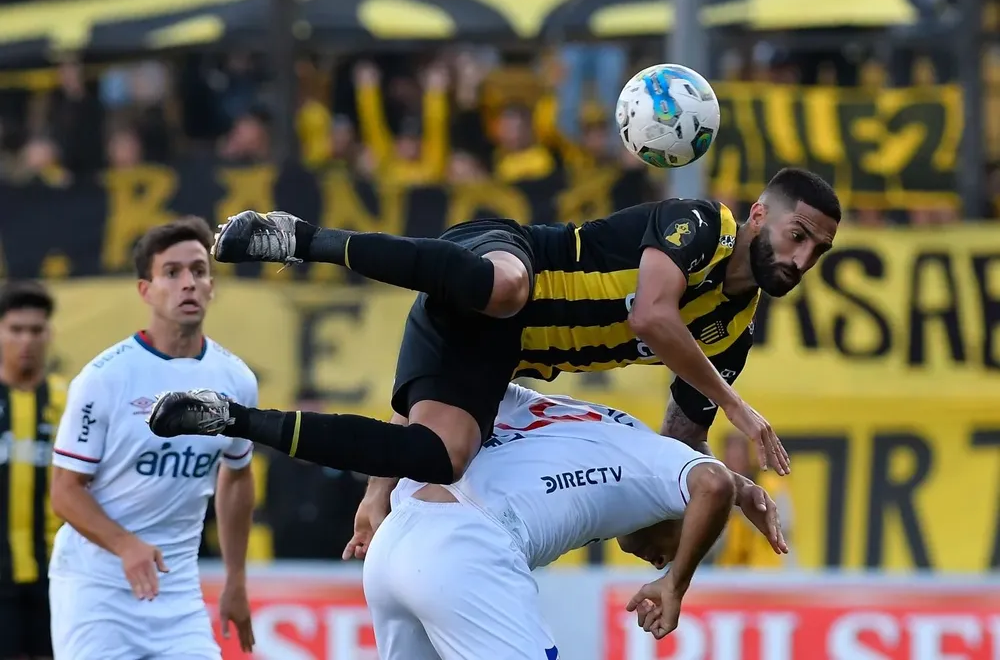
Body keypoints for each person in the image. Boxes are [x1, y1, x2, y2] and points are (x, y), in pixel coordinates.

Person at [155, 168, 838, 527]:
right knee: (509, 287)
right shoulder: (703, 223)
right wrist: (742, 409)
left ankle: (227, 417)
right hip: (497, 254)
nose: (802, 258)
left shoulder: (732, 331)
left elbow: (677, 447)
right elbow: (652, 318)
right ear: (758, 214)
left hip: (480, 348)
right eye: (797, 235)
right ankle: (301, 239)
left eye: (818, 250)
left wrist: (706, 501)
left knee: (442, 456)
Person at [153, 383, 785, 657]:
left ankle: (241, 417)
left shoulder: (582, 417)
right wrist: (676, 578)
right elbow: (706, 482)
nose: (646, 556)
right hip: (466, 553)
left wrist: (377, 493)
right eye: (664, 547)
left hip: (397, 542)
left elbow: (429, 395)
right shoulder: (659, 466)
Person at [47, 218, 258, 660]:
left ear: (212, 285)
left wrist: (236, 579)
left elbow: (237, 476)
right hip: (96, 588)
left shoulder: (236, 379)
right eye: (172, 272)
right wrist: (126, 546)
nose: (188, 284)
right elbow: (65, 491)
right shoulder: (103, 378)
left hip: (176, 590)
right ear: (146, 290)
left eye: (199, 271)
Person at [0, 282, 65, 660]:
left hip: (55, 578)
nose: (26, 340)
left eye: (36, 330)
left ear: (50, 334)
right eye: (16, 329)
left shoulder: (69, 401)